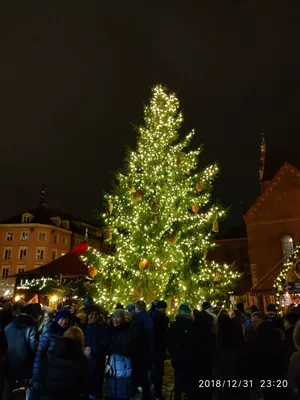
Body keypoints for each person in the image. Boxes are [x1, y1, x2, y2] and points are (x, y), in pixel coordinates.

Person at [39, 327, 88, 400]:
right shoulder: (81, 358)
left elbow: (43, 373)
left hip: (49, 393)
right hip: (70, 395)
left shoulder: (52, 353)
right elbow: (83, 382)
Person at [3, 304, 38, 400]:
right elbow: (34, 346)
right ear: (31, 314)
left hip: (9, 363)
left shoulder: (8, 326)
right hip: (25, 364)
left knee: (7, 390)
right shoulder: (31, 327)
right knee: (26, 391)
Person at [32, 309, 71, 388]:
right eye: (62, 319)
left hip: (63, 373)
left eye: (66, 319)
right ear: (57, 320)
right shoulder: (49, 333)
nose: (64, 321)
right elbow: (39, 354)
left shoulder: (69, 334)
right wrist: (36, 376)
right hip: (49, 371)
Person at [105, 309, 134, 400]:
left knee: (122, 392)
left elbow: (126, 349)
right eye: (114, 317)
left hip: (124, 365)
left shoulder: (128, 330)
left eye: (118, 317)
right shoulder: (110, 330)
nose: (115, 319)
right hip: (113, 365)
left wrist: (111, 346)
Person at [82, 306, 109, 400]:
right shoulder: (82, 327)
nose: (93, 316)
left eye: (96, 314)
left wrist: (92, 350)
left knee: (96, 390)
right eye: (91, 314)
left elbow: (105, 345)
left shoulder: (103, 328)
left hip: (97, 363)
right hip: (84, 364)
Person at [168, 302, 194, 400]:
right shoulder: (192, 324)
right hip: (189, 356)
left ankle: (177, 396)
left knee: (178, 378)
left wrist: (172, 353)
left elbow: (169, 342)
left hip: (177, 357)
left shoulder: (174, 325)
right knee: (189, 378)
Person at [152, 300, 169, 400]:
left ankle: (155, 390)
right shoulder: (161, 319)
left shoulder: (153, 316)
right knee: (158, 371)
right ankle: (157, 392)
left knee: (156, 371)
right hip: (158, 349)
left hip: (156, 348)